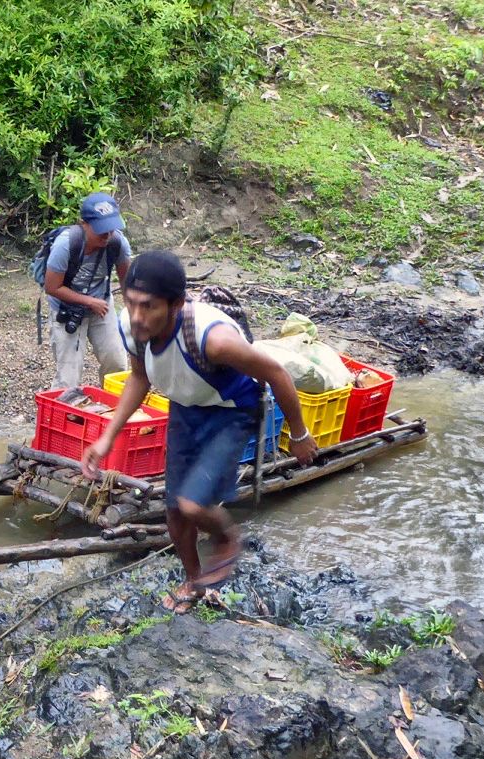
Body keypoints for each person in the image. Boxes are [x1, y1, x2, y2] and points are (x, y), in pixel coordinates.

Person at [81, 250, 317, 614]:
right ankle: (195, 582)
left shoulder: (213, 339)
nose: (138, 316)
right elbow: (140, 377)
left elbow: (277, 374)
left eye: (149, 306)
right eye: (130, 303)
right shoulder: (133, 327)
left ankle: (227, 538)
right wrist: (108, 436)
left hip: (231, 411)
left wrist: (299, 435)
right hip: (186, 407)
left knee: (194, 503)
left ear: (176, 305)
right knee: (175, 511)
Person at [43, 192, 131, 388]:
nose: (107, 235)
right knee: (68, 378)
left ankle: (114, 411)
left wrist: (134, 313)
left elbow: (127, 281)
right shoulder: (66, 244)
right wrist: (89, 301)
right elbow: (52, 287)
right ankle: (63, 413)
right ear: (84, 224)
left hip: (102, 305)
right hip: (67, 308)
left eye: (111, 229)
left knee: (117, 364)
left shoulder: (118, 243)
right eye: (101, 230)